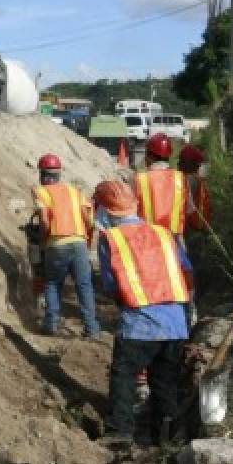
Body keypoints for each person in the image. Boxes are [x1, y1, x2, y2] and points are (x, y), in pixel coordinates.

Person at [95, 180, 194, 448]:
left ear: (105, 211)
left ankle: (120, 431)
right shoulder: (164, 234)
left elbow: (110, 284)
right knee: (165, 382)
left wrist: (126, 301)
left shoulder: (110, 239)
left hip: (139, 323)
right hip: (175, 324)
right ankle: (165, 437)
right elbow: (186, 270)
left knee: (124, 374)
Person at [31, 153, 99, 338]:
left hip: (57, 244)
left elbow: (44, 220)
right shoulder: (74, 191)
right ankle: (92, 329)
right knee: (84, 285)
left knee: (52, 283)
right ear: (59, 174)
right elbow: (88, 219)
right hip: (79, 243)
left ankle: (51, 324)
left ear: (43, 175)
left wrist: (43, 240)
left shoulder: (41, 191)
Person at [131, 133, 191, 239]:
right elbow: (189, 209)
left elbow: (131, 213)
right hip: (174, 240)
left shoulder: (140, 179)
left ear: (149, 156)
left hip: (148, 239)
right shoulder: (181, 178)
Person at [178, 144, 211, 235]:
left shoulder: (188, 180)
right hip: (198, 227)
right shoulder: (195, 179)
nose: (178, 164)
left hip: (190, 228)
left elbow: (185, 209)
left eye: (181, 161)